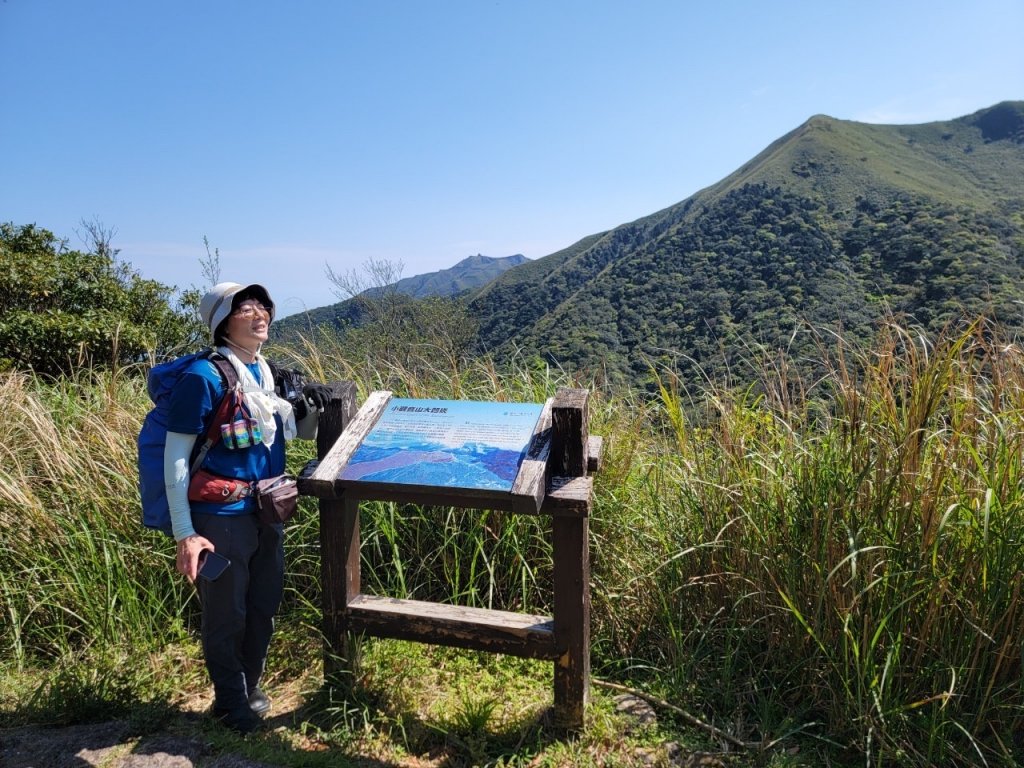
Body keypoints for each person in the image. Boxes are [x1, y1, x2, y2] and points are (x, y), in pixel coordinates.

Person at [163, 281, 331, 734]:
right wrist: (185, 531)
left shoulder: (267, 373)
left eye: (263, 305)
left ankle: (248, 686)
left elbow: (299, 433)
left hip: (266, 509)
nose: (260, 313)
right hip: (220, 517)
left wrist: (313, 407)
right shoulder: (204, 377)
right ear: (222, 322)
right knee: (226, 612)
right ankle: (230, 702)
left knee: (263, 604)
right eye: (245, 307)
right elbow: (176, 456)